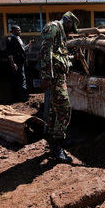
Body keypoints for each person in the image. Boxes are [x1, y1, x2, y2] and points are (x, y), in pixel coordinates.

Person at [39, 11, 80, 163]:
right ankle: (57, 145)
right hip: (54, 77)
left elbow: (58, 54)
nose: (71, 31)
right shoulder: (53, 27)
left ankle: (55, 140)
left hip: (59, 76)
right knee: (64, 109)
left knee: (54, 110)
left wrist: (72, 57)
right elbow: (45, 51)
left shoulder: (61, 33)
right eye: (71, 27)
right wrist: (46, 76)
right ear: (67, 21)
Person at [6, 25, 33, 102]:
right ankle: (21, 97)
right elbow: (9, 53)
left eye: (20, 30)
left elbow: (23, 50)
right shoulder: (10, 39)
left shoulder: (19, 38)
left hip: (21, 62)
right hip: (16, 63)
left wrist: (29, 45)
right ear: (13, 31)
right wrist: (13, 63)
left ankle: (21, 97)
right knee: (19, 79)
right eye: (18, 30)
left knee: (21, 78)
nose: (20, 31)